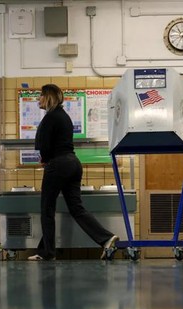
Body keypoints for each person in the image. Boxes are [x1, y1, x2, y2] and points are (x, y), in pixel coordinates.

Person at [29, 84, 118, 261]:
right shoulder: (64, 116)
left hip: (58, 164)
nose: (38, 99)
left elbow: (45, 146)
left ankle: (47, 253)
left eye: (40, 95)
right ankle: (106, 238)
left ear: (48, 97)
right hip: (73, 163)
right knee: (76, 208)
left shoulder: (50, 117)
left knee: (47, 208)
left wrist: (45, 159)